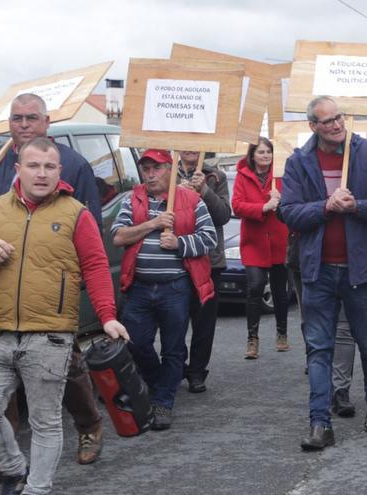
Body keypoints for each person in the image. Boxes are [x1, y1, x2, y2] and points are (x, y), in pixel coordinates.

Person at [0, 137, 128, 495]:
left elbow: (94, 266)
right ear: (18, 169)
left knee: (45, 422)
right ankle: (14, 467)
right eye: (34, 166)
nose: (42, 174)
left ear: (60, 171)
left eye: (49, 166)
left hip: (50, 336)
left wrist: (107, 316)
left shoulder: (76, 213)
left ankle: (37, 488)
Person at [280, 96, 367, 450]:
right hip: (318, 270)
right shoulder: (299, 162)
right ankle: (320, 423)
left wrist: (357, 206)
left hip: (363, 270)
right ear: (313, 126)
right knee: (318, 348)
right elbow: (289, 212)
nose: (336, 125)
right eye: (327, 121)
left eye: (339, 118)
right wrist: (326, 207)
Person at [112, 149, 217, 430]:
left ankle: (163, 402)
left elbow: (210, 239)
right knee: (136, 343)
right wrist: (152, 224)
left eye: (156, 168)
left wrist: (179, 244)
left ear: (170, 170)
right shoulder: (132, 199)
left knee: (173, 349)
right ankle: (159, 381)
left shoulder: (192, 200)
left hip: (175, 287)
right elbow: (119, 236)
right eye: (145, 169)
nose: (150, 174)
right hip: (139, 287)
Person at [177, 150, 231, 393]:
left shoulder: (216, 176)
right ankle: (177, 365)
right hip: (176, 258)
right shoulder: (167, 174)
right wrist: (178, 192)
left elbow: (223, 216)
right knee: (174, 319)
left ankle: (198, 371)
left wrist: (204, 191)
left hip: (210, 260)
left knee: (204, 321)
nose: (190, 148)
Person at [232, 138, 289, 359]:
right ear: (252, 155)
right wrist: (263, 207)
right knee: (255, 288)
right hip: (254, 241)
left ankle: (282, 333)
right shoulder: (243, 175)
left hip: (278, 240)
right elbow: (237, 206)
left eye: (268, 152)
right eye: (261, 152)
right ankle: (252, 339)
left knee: (279, 291)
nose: (265, 156)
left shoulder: (281, 175)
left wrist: (280, 200)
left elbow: (293, 201)